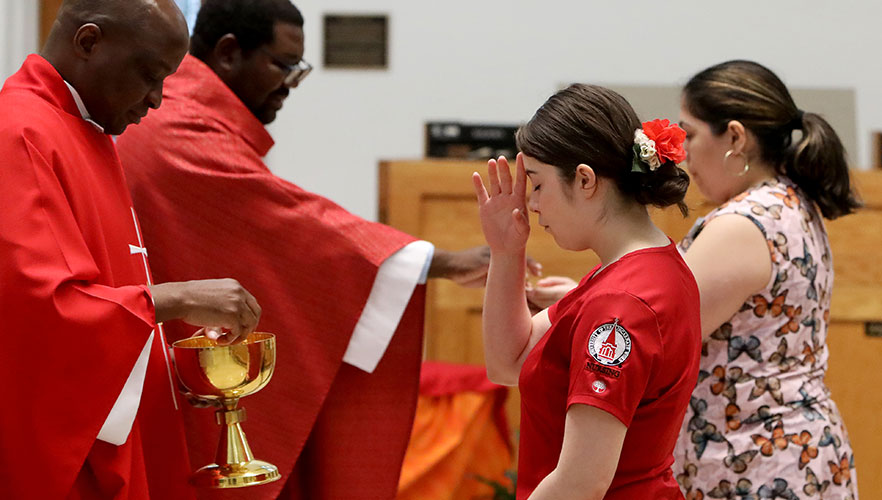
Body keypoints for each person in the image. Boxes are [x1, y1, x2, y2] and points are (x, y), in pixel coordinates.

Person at [115, 1, 509, 498]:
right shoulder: (176, 125)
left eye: (299, 70)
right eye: (283, 66)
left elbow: (282, 222)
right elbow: (297, 227)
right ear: (230, 53)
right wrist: (442, 261)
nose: (290, 84)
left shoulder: (185, 116)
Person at [0, 0, 264, 498]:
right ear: (88, 42)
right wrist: (179, 299)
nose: (157, 99)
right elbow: (43, 311)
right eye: (149, 74)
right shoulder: (21, 132)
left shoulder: (82, 127)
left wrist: (167, 366)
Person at [473, 84, 702, 499]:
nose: (533, 204)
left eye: (538, 185)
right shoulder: (642, 267)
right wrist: (507, 251)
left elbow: (581, 482)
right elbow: (508, 362)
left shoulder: (622, 302)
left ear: (584, 179)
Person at [671, 60, 860, 498]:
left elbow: (656, 335)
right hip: (787, 456)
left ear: (735, 137)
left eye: (690, 133)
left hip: (757, 464)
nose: (682, 152)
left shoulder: (743, 222)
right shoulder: (789, 200)